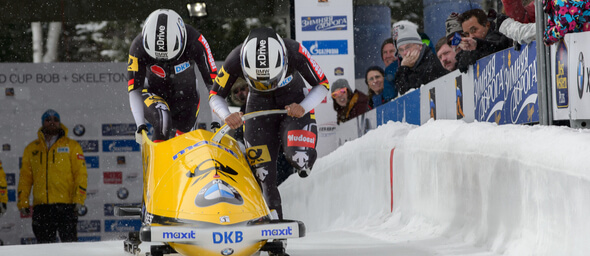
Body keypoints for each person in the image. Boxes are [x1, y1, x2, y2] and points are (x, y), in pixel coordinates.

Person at [209, 27, 329, 224]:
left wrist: (303, 107)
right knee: (263, 175)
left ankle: (305, 160)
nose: (266, 84)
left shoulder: (294, 51)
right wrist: (226, 116)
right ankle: (274, 228)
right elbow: (215, 95)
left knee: (299, 157)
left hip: (294, 104)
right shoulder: (235, 58)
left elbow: (322, 84)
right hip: (258, 109)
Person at [127, 9, 218, 144]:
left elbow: (215, 85)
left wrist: (217, 123)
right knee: (162, 120)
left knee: (185, 143)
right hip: (152, 92)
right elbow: (135, 89)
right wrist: (140, 125)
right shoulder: (138, 47)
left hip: (187, 97)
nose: (165, 62)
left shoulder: (196, 41)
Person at [17, 109, 87, 243]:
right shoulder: (32, 149)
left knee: (70, 248)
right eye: (48, 119)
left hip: (66, 206)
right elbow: (25, 178)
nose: (52, 122)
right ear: (43, 123)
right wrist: (23, 201)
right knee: (44, 249)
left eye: (55, 119)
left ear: (60, 123)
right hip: (42, 207)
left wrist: (79, 198)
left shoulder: (72, 146)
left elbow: (80, 174)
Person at [395, 25, 449, 95]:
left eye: (408, 47)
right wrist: (403, 69)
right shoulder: (405, 67)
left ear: (419, 46)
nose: (405, 53)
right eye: (401, 50)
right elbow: (403, 93)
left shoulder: (433, 62)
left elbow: (414, 92)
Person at [455, 9, 513, 73]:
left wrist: (476, 46)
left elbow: (496, 46)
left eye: (474, 30)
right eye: (467, 34)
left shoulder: (499, 31)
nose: (471, 36)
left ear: (487, 25)